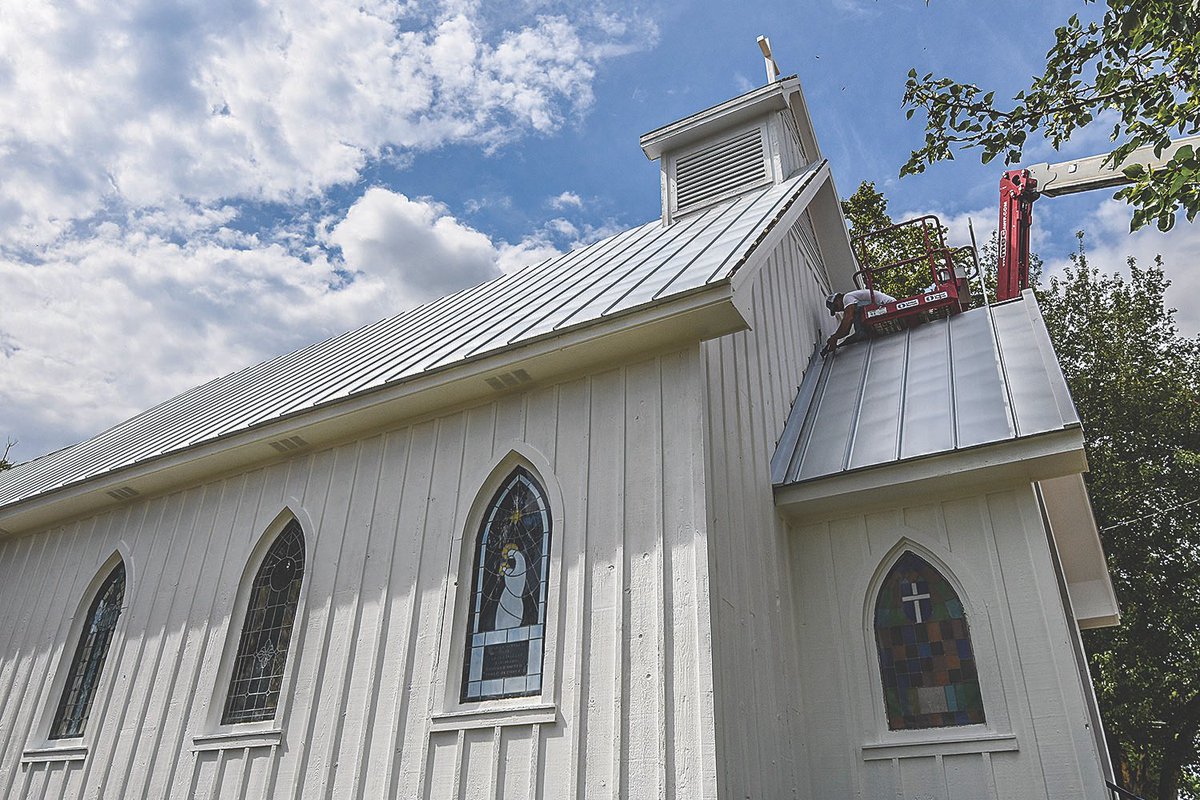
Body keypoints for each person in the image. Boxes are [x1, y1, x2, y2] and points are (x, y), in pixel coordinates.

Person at [823, 288, 897, 354]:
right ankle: (860, 334)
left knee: (854, 313)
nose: (839, 310)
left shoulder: (847, 297)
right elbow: (846, 330)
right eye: (836, 310)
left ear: (838, 298)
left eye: (836, 306)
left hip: (886, 306)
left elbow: (848, 319)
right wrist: (840, 343)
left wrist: (835, 337)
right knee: (856, 333)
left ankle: (861, 334)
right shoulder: (852, 303)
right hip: (882, 308)